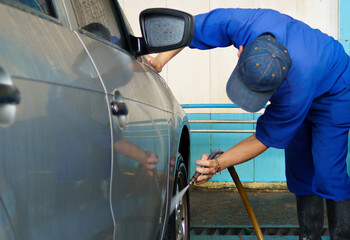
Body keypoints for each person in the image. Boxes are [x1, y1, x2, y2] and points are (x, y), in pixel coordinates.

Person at [147, 8, 350, 240]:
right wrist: (159, 60)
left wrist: (218, 164)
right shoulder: (242, 24)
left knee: (327, 171)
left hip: (335, 90)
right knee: (300, 169)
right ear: (241, 51)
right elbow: (187, 28)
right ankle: (309, 236)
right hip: (306, 75)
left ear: (279, 84)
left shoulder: (294, 91)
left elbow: (263, 139)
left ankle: (341, 236)